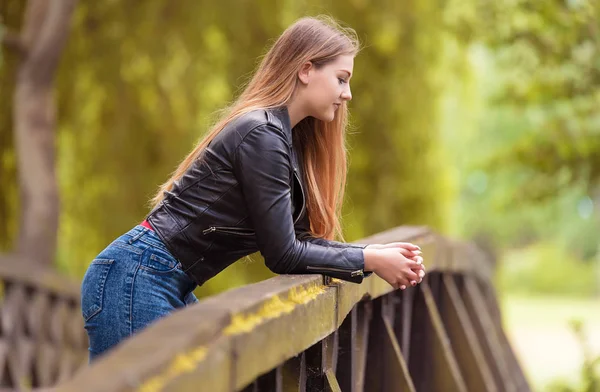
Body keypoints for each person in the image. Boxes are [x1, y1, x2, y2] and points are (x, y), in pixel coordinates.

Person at [80, 15, 426, 362]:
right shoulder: (261, 134)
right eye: (341, 79)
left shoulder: (282, 139)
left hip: (158, 277)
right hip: (137, 274)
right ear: (306, 70)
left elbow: (299, 240)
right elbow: (284, 254)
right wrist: (368, 258)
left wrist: (373, 253)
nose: (347, 94)